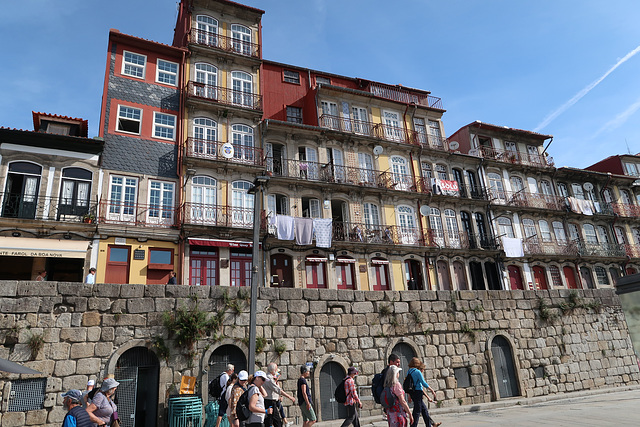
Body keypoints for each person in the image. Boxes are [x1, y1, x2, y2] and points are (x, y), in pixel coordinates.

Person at [407, 358, 441, 427]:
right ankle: (413, 425)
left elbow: (409, 384)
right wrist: (431, 390)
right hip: (418, 392)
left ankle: (429, 425)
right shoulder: (417, 371)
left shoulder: (409, 371)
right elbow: (423, 383)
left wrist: (409, 395)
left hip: (413, 393)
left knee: (424, 410)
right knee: (417, 411)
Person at [264, 363, 296, 427]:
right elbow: (278, 390)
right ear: (274, 370)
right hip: (271, 402)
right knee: (277, 422)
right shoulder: (270, 380)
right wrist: (289, 397)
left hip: (268, 401)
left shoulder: (266, 377)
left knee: (269, 421)